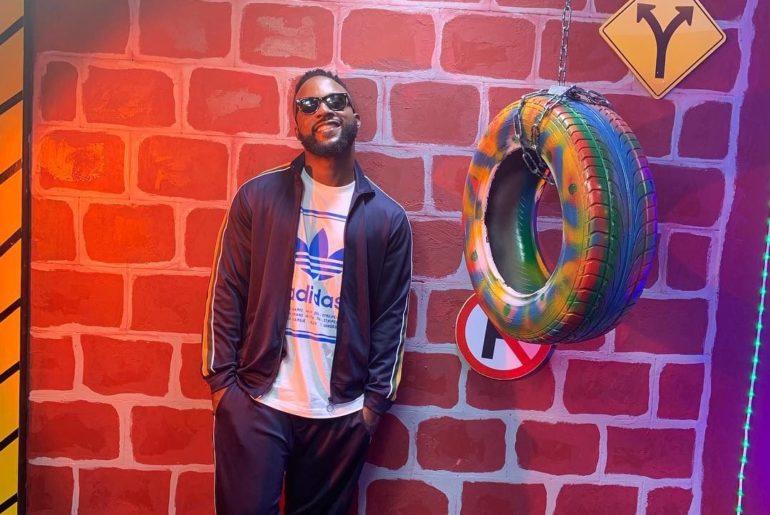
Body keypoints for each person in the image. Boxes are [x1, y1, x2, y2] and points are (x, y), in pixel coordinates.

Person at [201, 69, 413, 515]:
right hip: (257, 401)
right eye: (309, 105)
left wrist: (372, 406)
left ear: (355, 116)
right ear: (296, 125)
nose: (323, 110)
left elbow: (391, 321)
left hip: (340, 415)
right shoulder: (258, 198)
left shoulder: (387, 219)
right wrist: (223, 387)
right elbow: (227, 292)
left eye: (336, 101)